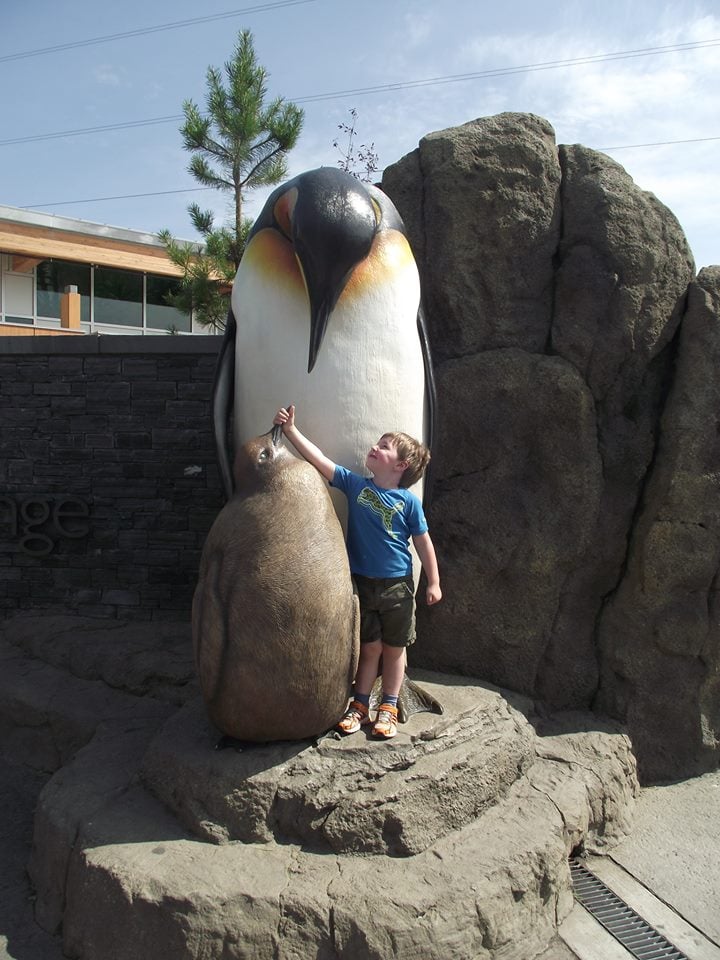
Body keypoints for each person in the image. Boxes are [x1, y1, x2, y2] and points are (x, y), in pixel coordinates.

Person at [273, 404, 442, 740]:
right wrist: (291, 432)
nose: (374, 447)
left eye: (384, 446)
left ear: (401, 465)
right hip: (362, 582)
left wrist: (434, 581)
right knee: (369, 647)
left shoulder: (409, 503)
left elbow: (424, 543)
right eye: (377, 443)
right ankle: (360, 704)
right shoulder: (356, 485)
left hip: (396, 586)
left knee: (394, 650)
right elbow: (321, 461)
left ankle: (389, 706)